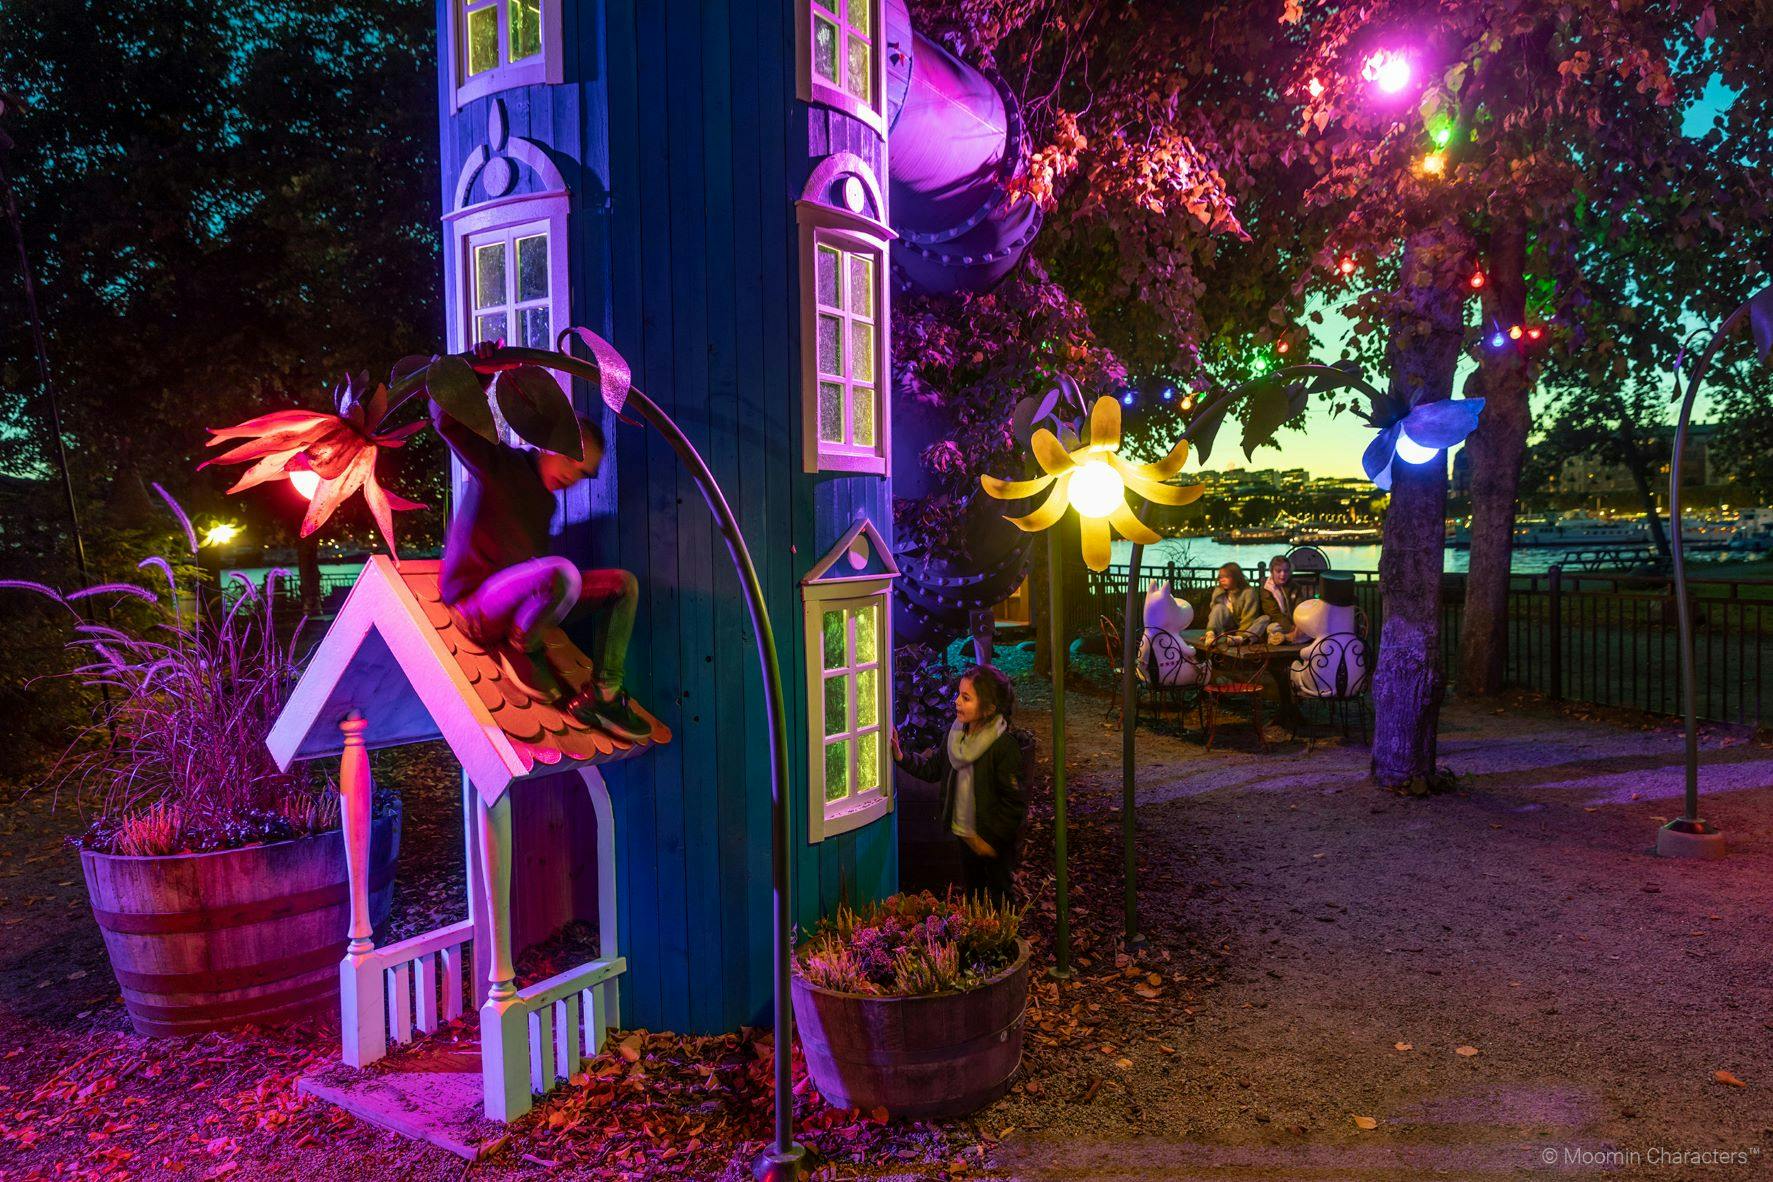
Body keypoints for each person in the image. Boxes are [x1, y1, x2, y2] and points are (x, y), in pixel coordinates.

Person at [430, 390, 651, 741]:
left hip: (516, 612)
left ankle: (604, 695)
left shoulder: (546, 505)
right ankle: (522, 646)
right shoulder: (501, 464)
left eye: (583, 474)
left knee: (623, 585)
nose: (572, 476)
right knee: (562, 573)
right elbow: (447, 416)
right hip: (475, 607)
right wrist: (479, 375)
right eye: (570, 460)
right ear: (550, 444)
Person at [891, 665, 1025, 907]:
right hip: (966, 834)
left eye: (966, 698)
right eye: (958, 695)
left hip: (991, 841)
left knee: (999, 896)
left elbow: (1013, 803)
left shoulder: (1003, 747)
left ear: (989, 708)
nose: (957, 702)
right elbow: (933, 769)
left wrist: (991, 841)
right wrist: (902, 757)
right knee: (974, 893)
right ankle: (976, 928)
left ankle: (1004, 931)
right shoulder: (955, 736)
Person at [1207, 562, 1267, 640]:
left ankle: (1241, 639)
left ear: (1236, 577)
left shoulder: (1248, 592)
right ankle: (1210, 635)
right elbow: (1215, 613)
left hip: (1246, 627)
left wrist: (1240, 633)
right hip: (1227, 627)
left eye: (1226, 577)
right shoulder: (1219, 591)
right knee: (1218, 607)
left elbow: (1250, 616)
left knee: (1265, 619)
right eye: (1221, 577)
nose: (1222, 580)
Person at [1261, 555, 1302, 642]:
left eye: (1286, 571)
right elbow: (1274, 614)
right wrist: (1291, 628)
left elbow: (1300, 608)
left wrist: (1299, 625)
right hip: (1279, 623)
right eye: (1278, 571)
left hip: (1295, 622)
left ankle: (1286, 638)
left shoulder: (1295, 586)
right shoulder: (1266, 588)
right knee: (1272, 628)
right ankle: (1290, 637)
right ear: (1272, 572)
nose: (1283, 574)